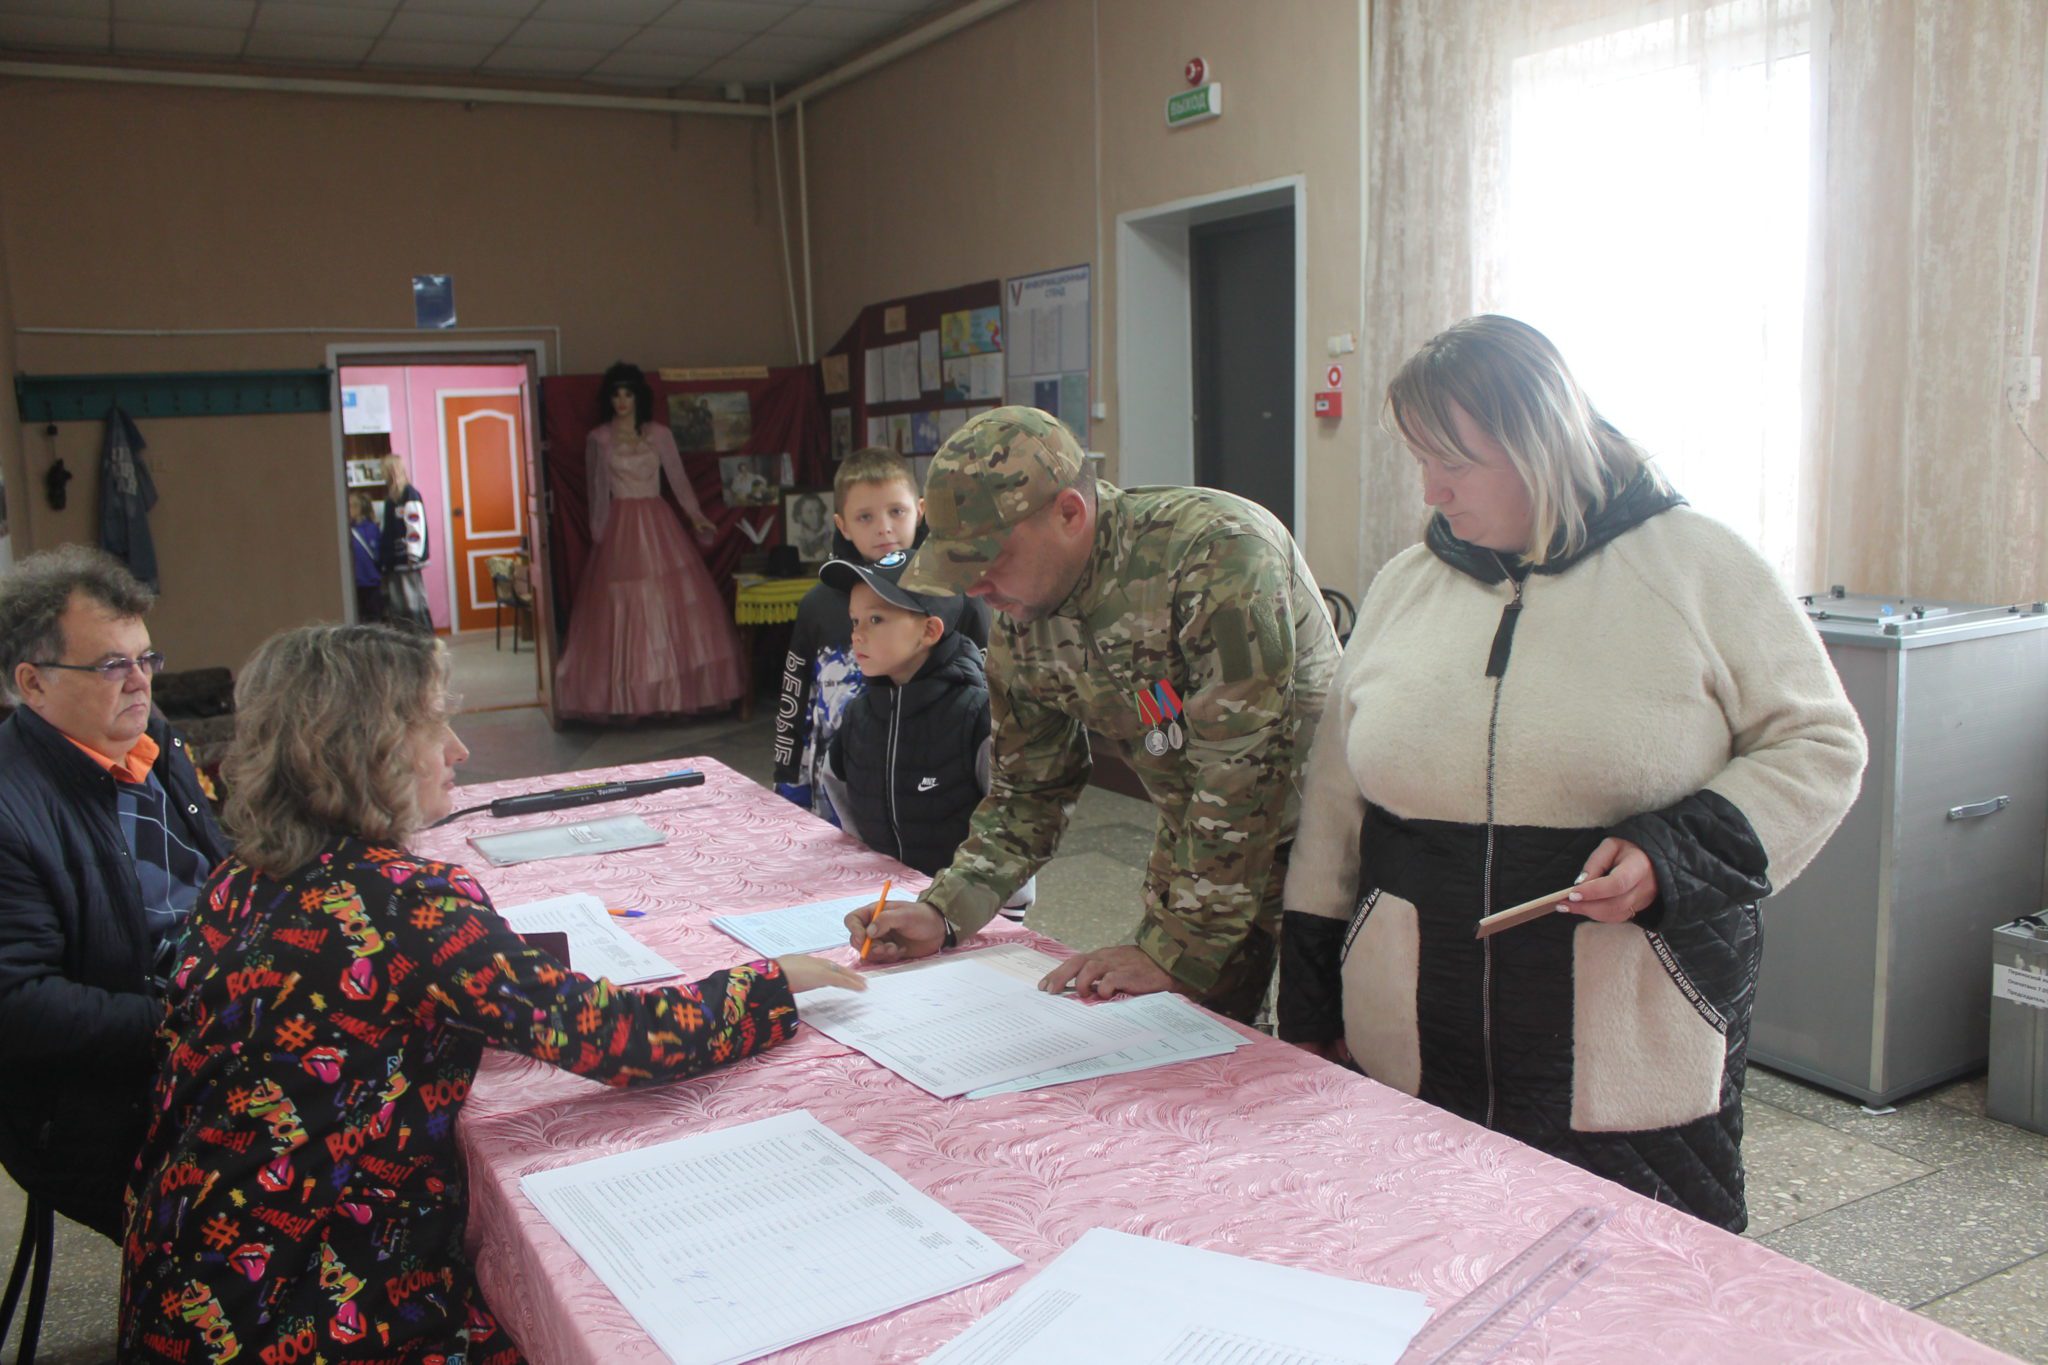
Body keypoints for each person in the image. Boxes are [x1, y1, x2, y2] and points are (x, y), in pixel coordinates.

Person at [118, 623, 862, 1363]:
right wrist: (769, 986)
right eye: (431, 724)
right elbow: (617, 1036)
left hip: (183, 1272)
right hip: (301, 1305)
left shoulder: (241, 876)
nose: (458, 749)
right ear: (361, 748)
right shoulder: (409, 904)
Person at [1276, 315, 1867, 1232]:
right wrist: (1310, 997)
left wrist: (1677, 853)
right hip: (1406, 1040)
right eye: (1419, 458)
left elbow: (1822, 745)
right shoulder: (1404, 584)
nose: (1431, 489)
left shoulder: (1700, 565)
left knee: (1625, 1299)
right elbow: (1333, 806)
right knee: (1420, 1264)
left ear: (1540, 440)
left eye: (1455, 461)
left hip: (1626, 1067)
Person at [848, 407, 1340, 1024]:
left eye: (988, 560)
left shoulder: (1216, 554)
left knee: (1324, 1056)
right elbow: (1029, 791)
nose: (976, 589)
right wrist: (945, 911)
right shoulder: (1025, 616)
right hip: (1202, 838)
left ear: (1071, 515)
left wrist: (1175, 949)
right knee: (1190, 1042)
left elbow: (1243, 772)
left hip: (1328, 852)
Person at [0, 546, 229, 1240]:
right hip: (100, 1103)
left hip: (205, 1026)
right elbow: (17, 1004)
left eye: (146, 659)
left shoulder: (148, 740)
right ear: (32, 684)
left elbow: (210, 873)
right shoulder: (11, 810)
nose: (140, 682)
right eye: (110, 664)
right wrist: (186, 1021)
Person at [771, 447, 988, 822]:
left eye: (896, 511)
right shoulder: (818, 605)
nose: (884, 527)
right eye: (865, 516)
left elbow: (989, 688)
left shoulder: (959, 595)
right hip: (838, 790)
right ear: (843, 525)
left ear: (920, 511)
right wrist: (789, 783)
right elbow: (796, 699)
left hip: (935, 787)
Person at [554, 362, 745, 719]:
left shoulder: (658, 434)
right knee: (627, 606)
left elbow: (677, 478)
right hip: (620, 527)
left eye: (628, 393)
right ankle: (632, 696)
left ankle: (670, 694)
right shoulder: (599, 438)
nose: (622, 401)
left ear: (638, 396)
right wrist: (599, 534)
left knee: (665, 603)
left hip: (659, 523)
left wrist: (695, 514)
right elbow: (597, 490)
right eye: (616, 394)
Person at [379, 453, 434, 632]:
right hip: (394, 561)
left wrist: (413, 555)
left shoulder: (409, 494)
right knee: (398, 606)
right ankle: (406, 642)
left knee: (414, 603)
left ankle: (424, 643)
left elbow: (415, 526)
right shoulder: (390, 499)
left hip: (408, 560)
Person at [347, 489, 382, 623]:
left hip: (365, 580)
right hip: (368, 580)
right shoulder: (372, 528)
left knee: (366, 617)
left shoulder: (362, 529)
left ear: (357, 508)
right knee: (371, 617)